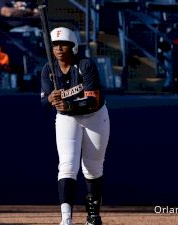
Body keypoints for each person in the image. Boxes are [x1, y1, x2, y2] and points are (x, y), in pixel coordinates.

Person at [41, 27, 110, 225]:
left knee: (92, 168)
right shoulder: (48, 69)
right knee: (67, 166)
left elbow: (93, 100)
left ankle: (93, 215)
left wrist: (69, 103)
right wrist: (50, 98)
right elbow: (44, 102)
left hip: (94, 116)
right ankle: (66, 219)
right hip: (66, 119)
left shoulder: (85, 65)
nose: (59, 48)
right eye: (55, 45)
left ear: (73, 47)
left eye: (63, 44)